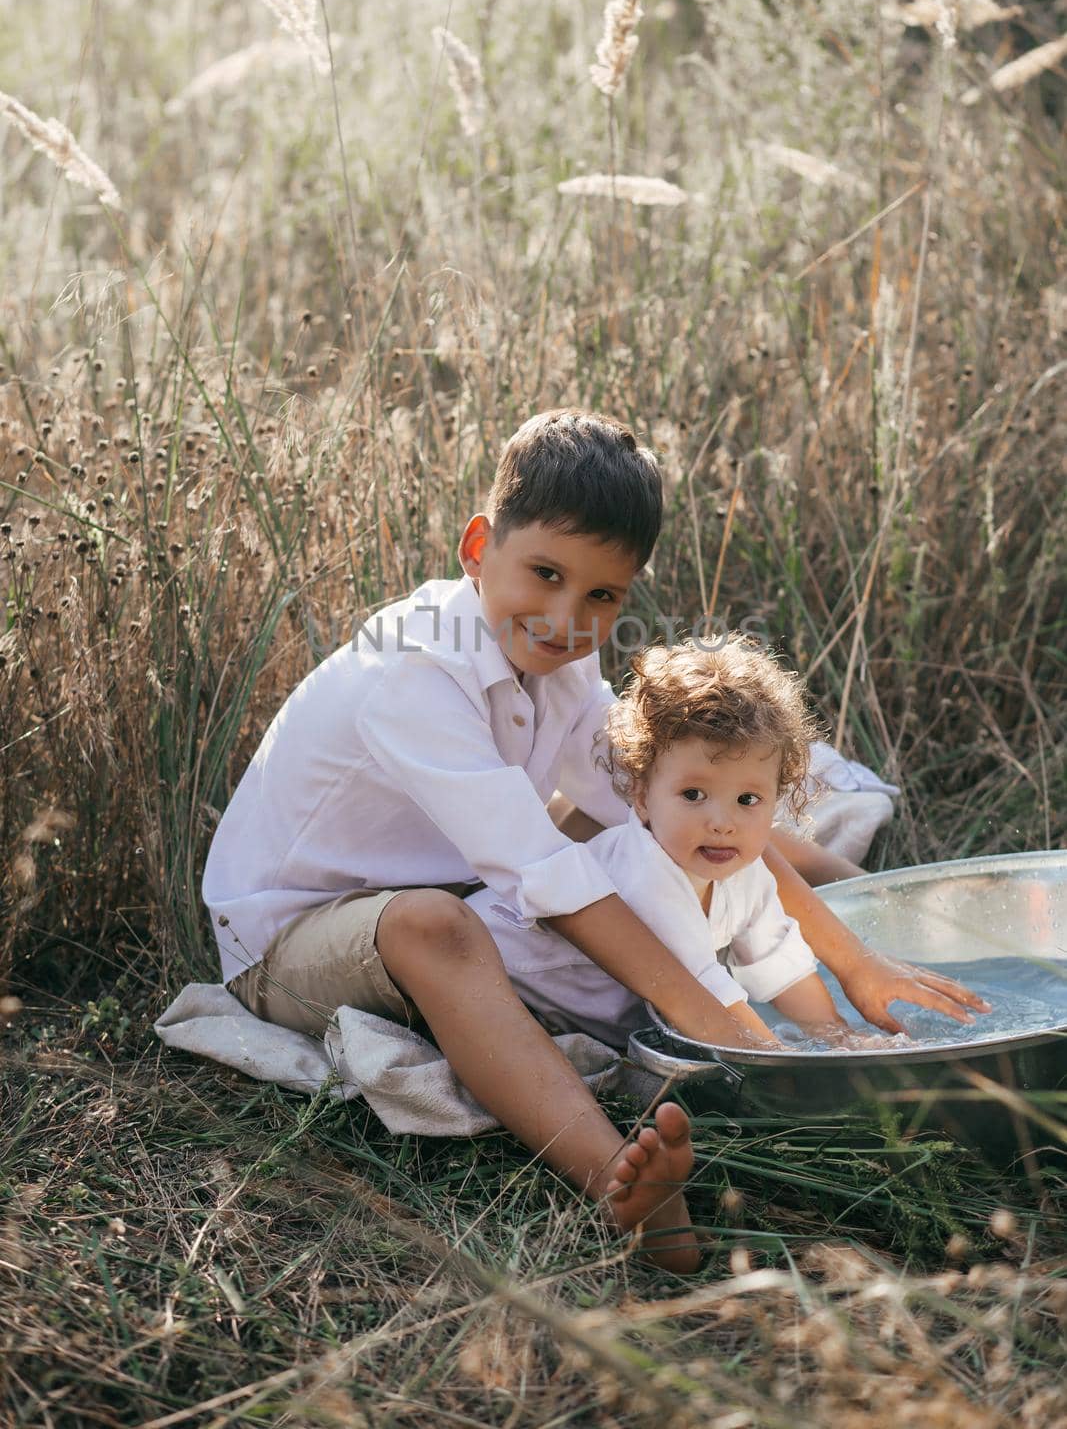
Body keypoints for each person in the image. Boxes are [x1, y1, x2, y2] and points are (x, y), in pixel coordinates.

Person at [203, 409, 986, 1272]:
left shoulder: (562, 664)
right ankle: (622, 1186)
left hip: (466, 882)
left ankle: (905, 921)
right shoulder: (412, 673)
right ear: (477, 547)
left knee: (681, 811)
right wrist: (737, 1038)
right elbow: (545, 875)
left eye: (601, 596)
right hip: (291, 938)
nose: (564, 618)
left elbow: (661, 814)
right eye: (543, 574)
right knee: (435, 924)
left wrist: (856, 952)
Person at [468, 635, 887, 1050]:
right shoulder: (647, 875)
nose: (722, 824)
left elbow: (781, 966)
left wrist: (841, 1037)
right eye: (693, 795)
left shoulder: (745, 872)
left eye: (747, 800)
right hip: (494, 962)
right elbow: (705, 1000)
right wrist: (785, 1060)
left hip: (581, 994)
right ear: (642, 795)